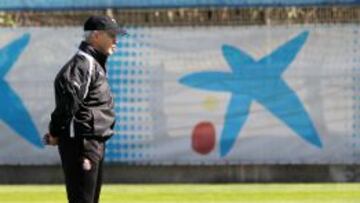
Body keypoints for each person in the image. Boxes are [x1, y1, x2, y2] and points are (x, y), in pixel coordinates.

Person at [43, 15, 126, 203]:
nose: (116, 40)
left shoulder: (94, 64)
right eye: (112, 35)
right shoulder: (83, 65)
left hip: (92, 143)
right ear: (96, 36)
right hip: (81, 143)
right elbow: (67, 106)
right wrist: (55, 132)